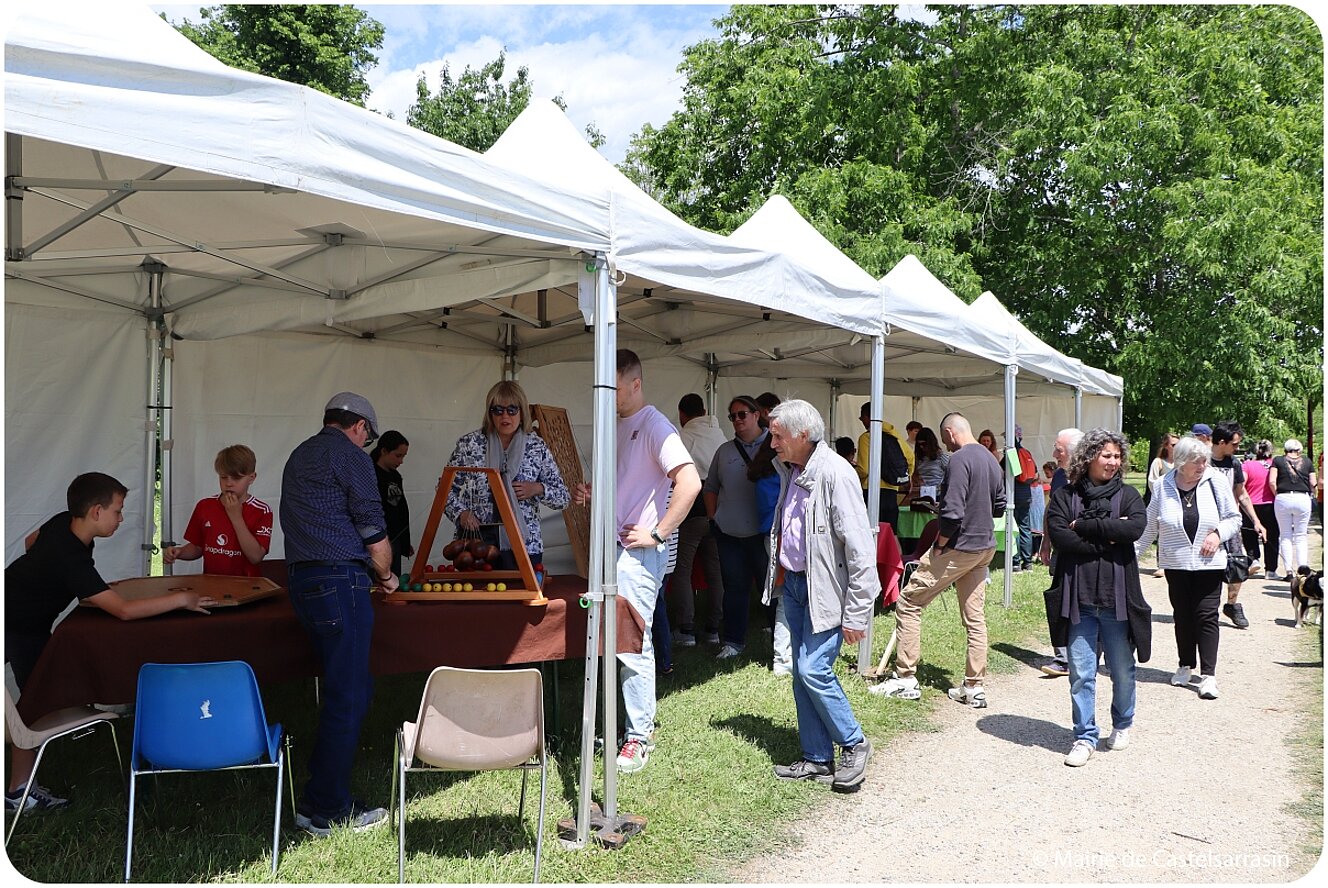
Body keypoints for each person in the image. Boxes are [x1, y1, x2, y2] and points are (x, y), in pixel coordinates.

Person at [6, 473, 216, 812]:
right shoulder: (70, 557)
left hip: (19, 614)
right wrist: (182, 600)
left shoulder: (65, 523)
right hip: (18, 625)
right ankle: (18, 792)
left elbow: (33, 542)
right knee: (35, 701)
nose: (121, 518)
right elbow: (123, 611)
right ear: (95, 512)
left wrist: (58, 579)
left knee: (40, 694)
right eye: (118, 511)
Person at [573, 350, 701, 773]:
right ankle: (615, 725)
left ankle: (638, 737)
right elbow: (626, 483)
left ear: (634, 384)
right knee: (609, 640)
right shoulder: (616, 423)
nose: (606, 395)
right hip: (611, 549)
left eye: (613, 386)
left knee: (632, 644)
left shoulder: (654, 424)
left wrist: (659, 532)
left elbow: (690, 482)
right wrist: (596, 493)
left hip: (637, 554)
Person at [281, 392, 398, 835]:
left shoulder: (299, 454)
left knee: (348, 687)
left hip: (302, 580)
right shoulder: (351, 457)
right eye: (368, 434)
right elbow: (372, 528)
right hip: (339, 582)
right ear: (361, 427)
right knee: (346, 694)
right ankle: (326, 807)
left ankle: (319, 795)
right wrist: (386, 575)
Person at [763, 400, 876, 789]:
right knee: (801, 672)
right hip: (795, 585)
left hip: (824, 589)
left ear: (802, 435)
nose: (772, 442)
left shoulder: (835, 473)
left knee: (813, 669)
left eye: (778, 435)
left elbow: (860, 548)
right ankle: (816, 757)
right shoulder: (792, 468)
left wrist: (857, 613)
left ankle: (854, 742)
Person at [875, 412, 1006, 707]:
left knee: (909, 601)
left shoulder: (959, 459)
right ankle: (973, 687)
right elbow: (999, 506)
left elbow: (953, 511)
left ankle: (905, 678)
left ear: (949, 432)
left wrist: (940, 544)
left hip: (959, 546)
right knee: (975, 618)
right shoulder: (989, 458)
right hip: (984, 547)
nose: (944, 442)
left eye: (943, 436)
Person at [1046, 429, 1147, 767]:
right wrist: (1108, 535)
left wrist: (1085, 527)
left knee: (1122, 670)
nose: (1113, 462)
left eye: (1117, 457)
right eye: (1107, 455)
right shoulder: (1065, 496)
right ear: (1089, 457)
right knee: (1081, 673)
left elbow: (1133, 529)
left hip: (1117, 599)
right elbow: (1061, 538)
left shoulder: (1129, 496)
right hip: (1079, 599)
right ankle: (1084, 736)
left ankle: (1122, 723)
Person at [1134, 436, 1241, 701]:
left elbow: (1234, 518)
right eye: (1197, 462)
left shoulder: (1215, 480)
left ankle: (1208, 675)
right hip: (1176, 562)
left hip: (1210, 563)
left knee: (1206, 615)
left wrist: (1217, 534)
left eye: (1205, 460)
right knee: (1182, 615)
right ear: (1181, 463)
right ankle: (1184, 665)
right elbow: (1150, 525)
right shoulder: (1162, 486)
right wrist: (1131, 556)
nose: (1203, 465)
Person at [444, 381, 569, 571]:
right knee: (476, 598)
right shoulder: (470, 444)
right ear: (489, 413)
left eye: (512, 410)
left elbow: (563, 498)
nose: (505, 416)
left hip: (524, 542)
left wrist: (537, 489)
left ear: (522, 412)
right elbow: (444, 489)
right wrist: (461, 513)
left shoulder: (536, 447)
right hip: (477, 544)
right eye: (498, 410)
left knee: (521, 597)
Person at [705, 395, 772, 659]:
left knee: (771, 588)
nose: (737, 420)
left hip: (763, 532)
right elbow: (710, 487)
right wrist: (714, 518)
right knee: (734, 588)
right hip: (729, 533)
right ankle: (733, 641)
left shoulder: (774, 444)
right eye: (732, 416)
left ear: (756, 415)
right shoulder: (724, 451)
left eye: (742, 414)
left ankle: (781, 641)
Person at [670, 393, 728, 647]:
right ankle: (714, 628)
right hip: (718, 510)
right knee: (715, 570)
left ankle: (685, 629)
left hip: (692, 510)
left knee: (682, 570)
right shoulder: (720, 435)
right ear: (704, 410)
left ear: (682, 414)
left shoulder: (683, 437)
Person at [164, 444, 272, 578]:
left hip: (247, 588)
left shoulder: (262, 511)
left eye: (236, 478)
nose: (229, 483)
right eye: (223, 477)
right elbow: (198, 547)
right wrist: (179, 552)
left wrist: (236, 517)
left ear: (251, 478)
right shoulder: (205, 506)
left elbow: (256, 557)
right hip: (212, 586)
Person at [1209, 421, 1266, 629]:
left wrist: (1256, 521)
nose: (1237, 448)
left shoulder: (1234, 464)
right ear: (1221, 442)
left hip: (1229, 523)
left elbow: (1241, 494)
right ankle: (1207, 607)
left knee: (1238, 565)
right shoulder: (1201, 461)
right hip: (1205, 524)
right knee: (1207, 566)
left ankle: (1231, 604)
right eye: (1234, 444)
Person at [1038, 428, 1083, 676]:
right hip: (1060, 549)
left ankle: (1086, 653)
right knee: (1059, 598)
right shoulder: (1058, 475)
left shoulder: (1089, 477)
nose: (1054, 453)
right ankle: (1063, 657)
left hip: (1083, 549)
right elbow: (1050, 508)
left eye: (1059, 449)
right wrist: (1046, 541)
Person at [854, 402, 914, 530]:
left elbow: (864, 470)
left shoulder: (866, 438)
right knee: (891, 534)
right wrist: (906, 475)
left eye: (862, 418)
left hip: (870, 492)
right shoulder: (894, 435)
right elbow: (910, 457)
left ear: (866, 417)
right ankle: (896, 551)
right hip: (892, 492)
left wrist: (854, 477)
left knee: (871, 533)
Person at [1268, 438, 1318, 580]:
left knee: (1285, 535)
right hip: (1302, 498)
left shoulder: (1278, 460)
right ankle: (1303, 571)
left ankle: (1289, 572)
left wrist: (1278, 494)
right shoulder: (1307, 462)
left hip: (1283, 497)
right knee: (1301, 536)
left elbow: (1272, 481)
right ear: (1299, 450)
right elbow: (1313, 483)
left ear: (1286, 449)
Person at [370, 431, 413, 576]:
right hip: (376, 540)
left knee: (394, 579)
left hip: (395, 539)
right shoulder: (370, 473)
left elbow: (401, 509)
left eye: (403, 456)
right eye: (398, 455)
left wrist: (405, 542)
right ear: (383, 451)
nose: (401, 461)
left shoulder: (396, 476)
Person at [1003, 424, 1038, 572]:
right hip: (1026, 495)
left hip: (1013, 496)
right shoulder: (1026, 452)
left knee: (1013, 529)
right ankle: (1028, 562)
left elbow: (1006, 473)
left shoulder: (1010, 453)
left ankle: (1015, 562)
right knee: (1025, 528)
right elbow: (1034, 474)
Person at [1145, 433, 1179, 578]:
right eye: (1173, 445)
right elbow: (1152, 481)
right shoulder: (1158, 462)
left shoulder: (1181, 462)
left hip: (1178, 501)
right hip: (1162, 501)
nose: (1176, 448)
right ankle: (1162, 565)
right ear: (1166, 446)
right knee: (1162, 531)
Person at [1241, 439, 1276, 579]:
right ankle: (1271, 570)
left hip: (1250, 504)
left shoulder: (1247, 465)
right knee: (1272, 536)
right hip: (1271, 504)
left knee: (1249, 534)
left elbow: (1241, 484)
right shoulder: (1275, 465)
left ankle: (1253, 559)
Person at [912, 426, 950, 492]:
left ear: (930, 443)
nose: (921, 447)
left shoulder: (941, 456)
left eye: (924, 444)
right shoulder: (918, 458)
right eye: (919, 444)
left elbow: (951, 474)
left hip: (938, 494)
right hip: (922, 493)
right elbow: (914, 475)